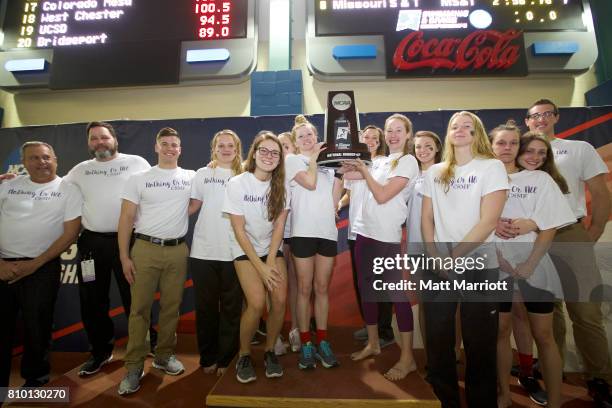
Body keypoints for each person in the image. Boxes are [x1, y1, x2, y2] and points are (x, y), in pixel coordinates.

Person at [524, 99, 612, 406]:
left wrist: (594, 230)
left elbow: (600, 192)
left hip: (568, 232)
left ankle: (599, 377)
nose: (541, 119)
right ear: (527, 122)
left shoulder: (579, 149)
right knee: (549, 312)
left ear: (556, 117)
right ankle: (553, 370)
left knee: (586, 312)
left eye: (547, 114)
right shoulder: (522, 153)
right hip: (532, 236)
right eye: (535, 116)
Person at [421, 111, 509, 407]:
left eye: (467, 126)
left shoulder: (492, 167)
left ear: (477, 134)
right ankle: (445, 399)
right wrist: (436, 258)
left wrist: (452, 256)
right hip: (439, 266)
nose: (459, 130)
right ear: (447, 134)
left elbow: (488, 222)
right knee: (437, 338)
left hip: (479, 267)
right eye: (454, 126)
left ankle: (481, 401)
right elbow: (426, 219)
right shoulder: (434, 172)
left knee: (480, 342)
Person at [63, 121, 156, 377]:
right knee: (93, 300)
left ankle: (148, 345)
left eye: (104, 137)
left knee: (136, 297)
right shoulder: (80, 171)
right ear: (89, 144)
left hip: (131, 242)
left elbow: (156, 188)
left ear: (114, 140)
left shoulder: (136, 162)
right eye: (94, 139)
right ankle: (100, 352)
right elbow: (52, 186)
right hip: (92, 245)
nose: (100, 142)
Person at [491, 125, 575, 408]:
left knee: (544, 336)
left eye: (513, 143)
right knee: (501, 332)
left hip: (534, 264)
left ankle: (554, 401)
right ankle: (503, 393)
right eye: (501, 142)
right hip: (495, 264)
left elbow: (549, 226)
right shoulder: (484, 178)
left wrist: (529, 263)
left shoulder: (540, 179)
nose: (507, 148)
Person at [117, 127, 195, 395]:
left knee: (171, 308)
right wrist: (124, 256)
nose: (170, 148)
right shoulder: (139, 178)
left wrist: (177, 216)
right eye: (165, 143)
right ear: (156, 147)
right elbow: (126, 218)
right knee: (139, 310)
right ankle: (134, 366)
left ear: (180, 149)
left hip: (177, 251)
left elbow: (194, 203)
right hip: (145, 250)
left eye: (175, 144)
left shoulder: (190, 177)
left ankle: (163, 355)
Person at [0, 142, 81, 390]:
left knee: (38, 326)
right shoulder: (7, 186)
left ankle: (35, 380)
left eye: (46, 157)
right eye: (34, 158)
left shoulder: (69, 190)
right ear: (24, 163)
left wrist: (35, 264)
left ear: (55, 159)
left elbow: (70, 233)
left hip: (42, 268)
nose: (41, 162)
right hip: (2, 266)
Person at [346, 114, 419, 381]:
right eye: (389, 130)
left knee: (397, 297)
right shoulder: (379, 160)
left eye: (399, 130)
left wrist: (363, 171)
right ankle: (373, 343)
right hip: (363, 231)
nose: (393, 135)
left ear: (408, 134)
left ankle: (408, 358)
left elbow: (383, 194)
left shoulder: (408, 161)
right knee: (368, 291)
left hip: (386, 237)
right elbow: (347, 175)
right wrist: (339, 158)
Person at [222, 132, 288, 383]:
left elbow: (279, 227)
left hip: (270, 247)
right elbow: (239, 230)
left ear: (280, 158)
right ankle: (245, 354)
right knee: (258, 303)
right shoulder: (238, 183)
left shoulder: (281, 186)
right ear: (254, 152)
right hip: (244, 249)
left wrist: (270, 260)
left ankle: (270, 350)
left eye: (275, 153)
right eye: (264, 151)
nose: (269, 156)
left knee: (280, 299)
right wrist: (259, 267)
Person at [285, 115, 343, 370]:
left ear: (317, 137)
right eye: (302, 136)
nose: (307, 139)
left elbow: (333, 200)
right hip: (303, 232)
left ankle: (323, 340)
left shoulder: (328, 162)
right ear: (296, 143)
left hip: (327, 233)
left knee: (322, 288)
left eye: (311, 135)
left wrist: (340, 171)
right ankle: (306, 342)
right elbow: (309, 184)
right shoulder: (292, 160)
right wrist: (317, 160)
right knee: (304, 289)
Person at [188, 130, 243, 377]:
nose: (225, 149)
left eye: (230, 145)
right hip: (203, 252)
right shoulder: (202, 174)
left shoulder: (246, 174)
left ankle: (226, 358)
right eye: (221, 145)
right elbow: (192, 206)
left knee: (232, 309)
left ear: (237, 147)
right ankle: (208, 357)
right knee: (206, 308)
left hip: (235, 251)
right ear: (214, 148)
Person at [339, 125, 394, 348]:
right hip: (355, 231)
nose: (370, 140)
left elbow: (383, 190)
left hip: (376, 232)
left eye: (374, 137)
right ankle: (369, 324)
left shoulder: (385, 164)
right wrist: (336, 205)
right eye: (366, 137)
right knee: (362, 283)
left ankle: (385, 331)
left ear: (380, 141)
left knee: (379, 283)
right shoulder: (355, 165)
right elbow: (348, 195)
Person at [278, 131, 301, 353]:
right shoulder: (269, 171)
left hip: (296, 234)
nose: (283, 150)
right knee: (275, 286)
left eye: (286, 146)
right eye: (279, 146)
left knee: (296, 284)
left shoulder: (301, 168)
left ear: (294, 148)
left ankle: (295, 330)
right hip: (274, 236)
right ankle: (274, 335)